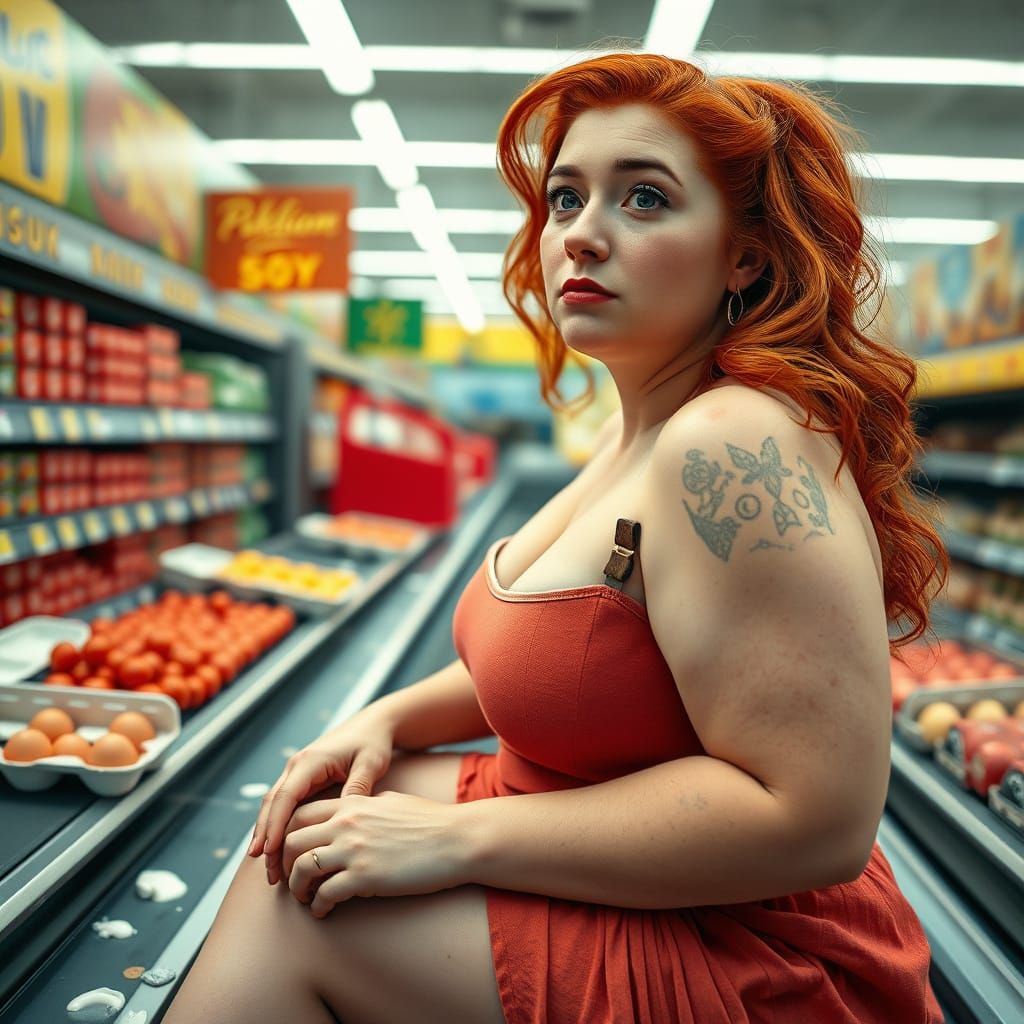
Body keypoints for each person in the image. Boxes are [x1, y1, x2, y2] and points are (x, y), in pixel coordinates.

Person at [165, 53, 947, 1023]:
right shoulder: (637, 425)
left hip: (761, 954)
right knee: (312, 828)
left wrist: (457, 839)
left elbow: (814, 820)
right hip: (670, 885)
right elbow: (568, 652)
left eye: (645, 200)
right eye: (566, 197)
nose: (582, 234)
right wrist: (385, 719)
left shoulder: (729, 441)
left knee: (297, 906)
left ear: (744, 255)